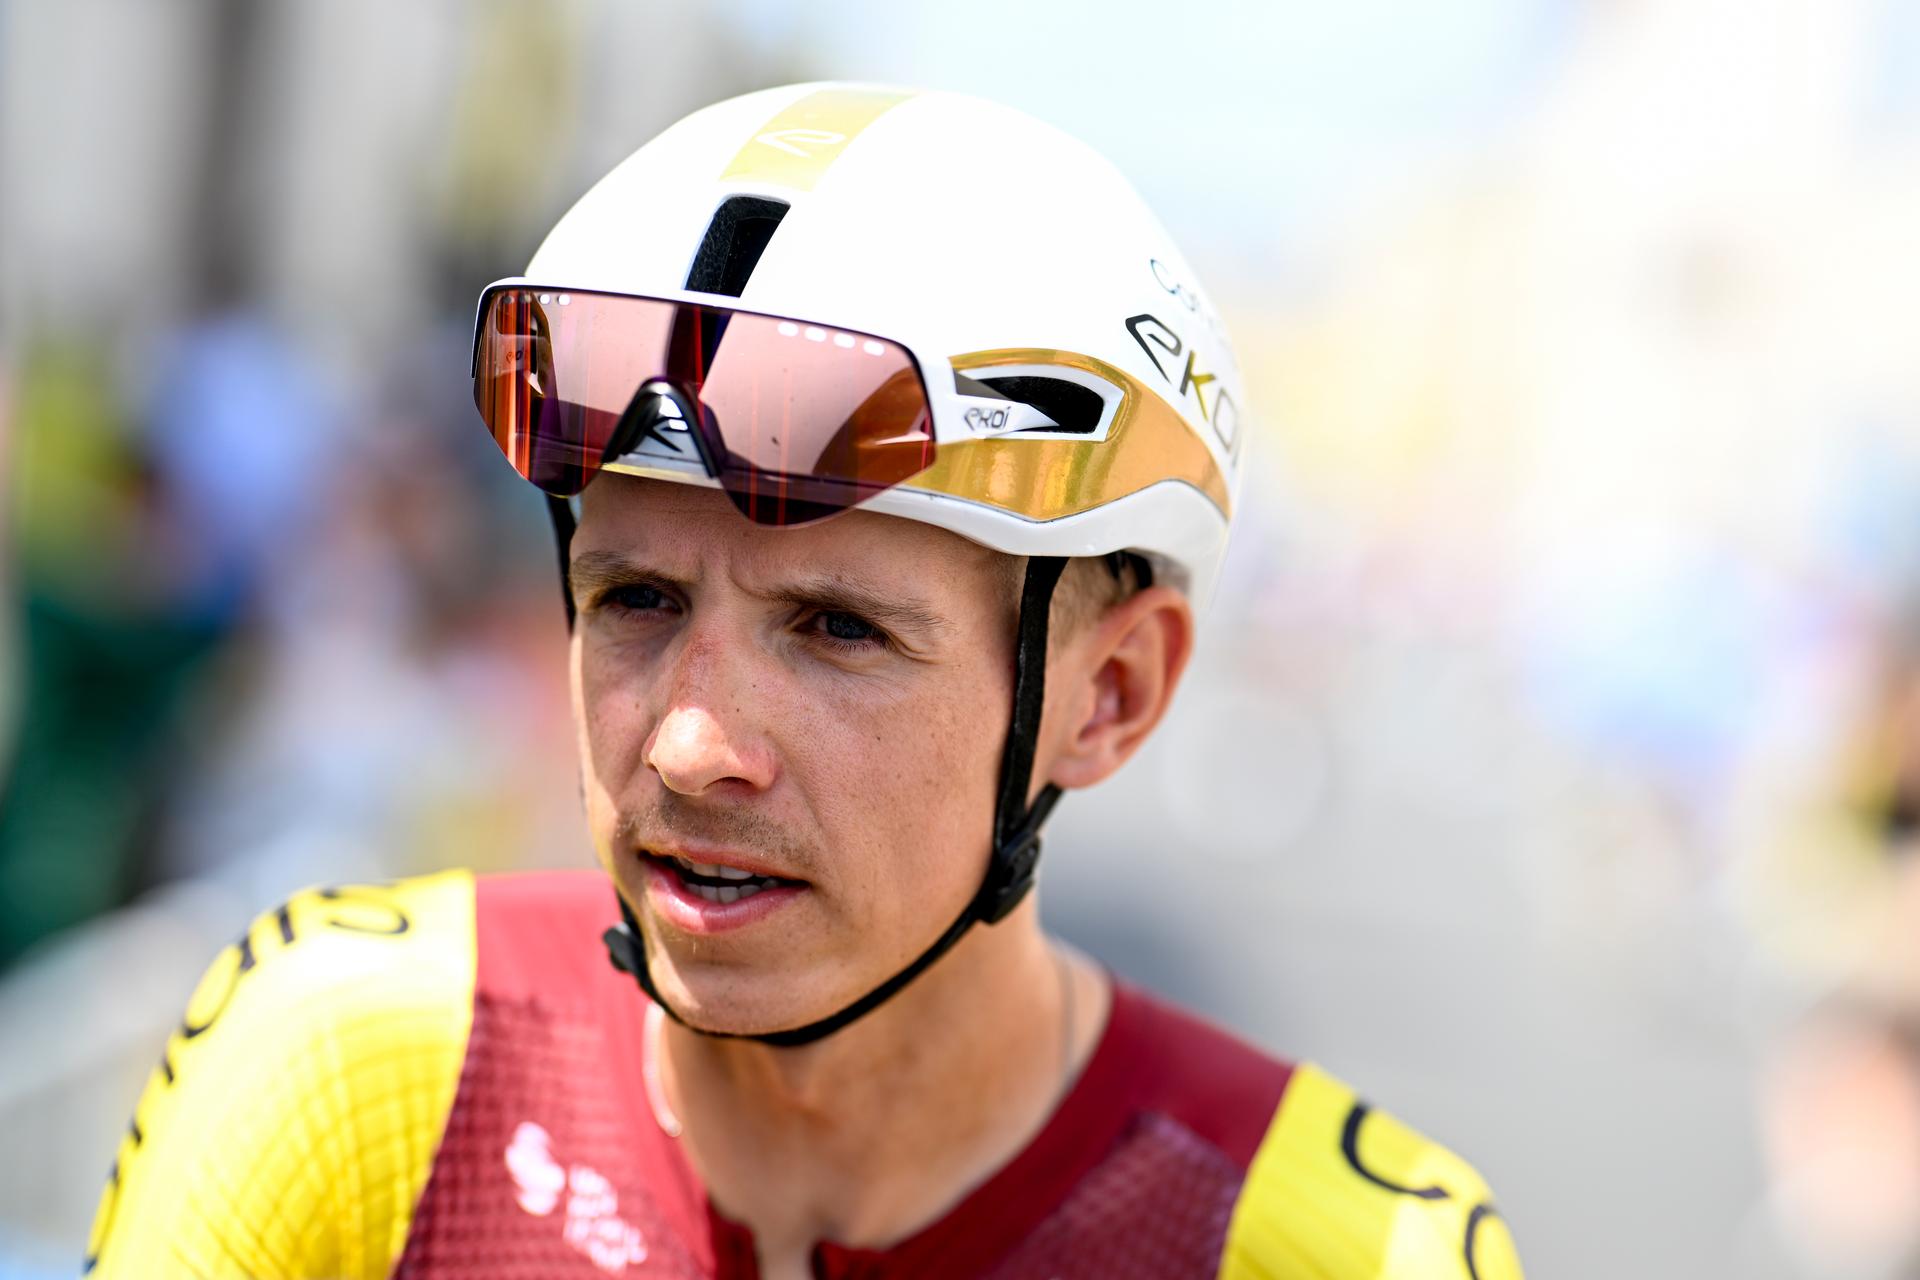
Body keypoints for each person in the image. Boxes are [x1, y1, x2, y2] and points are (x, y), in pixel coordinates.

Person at [85, 84, 1522, 1279]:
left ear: (1110, 694)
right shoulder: (341, 1057)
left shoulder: (1352, 1247)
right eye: (636, 597)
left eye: (838, 629)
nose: (693, 743)